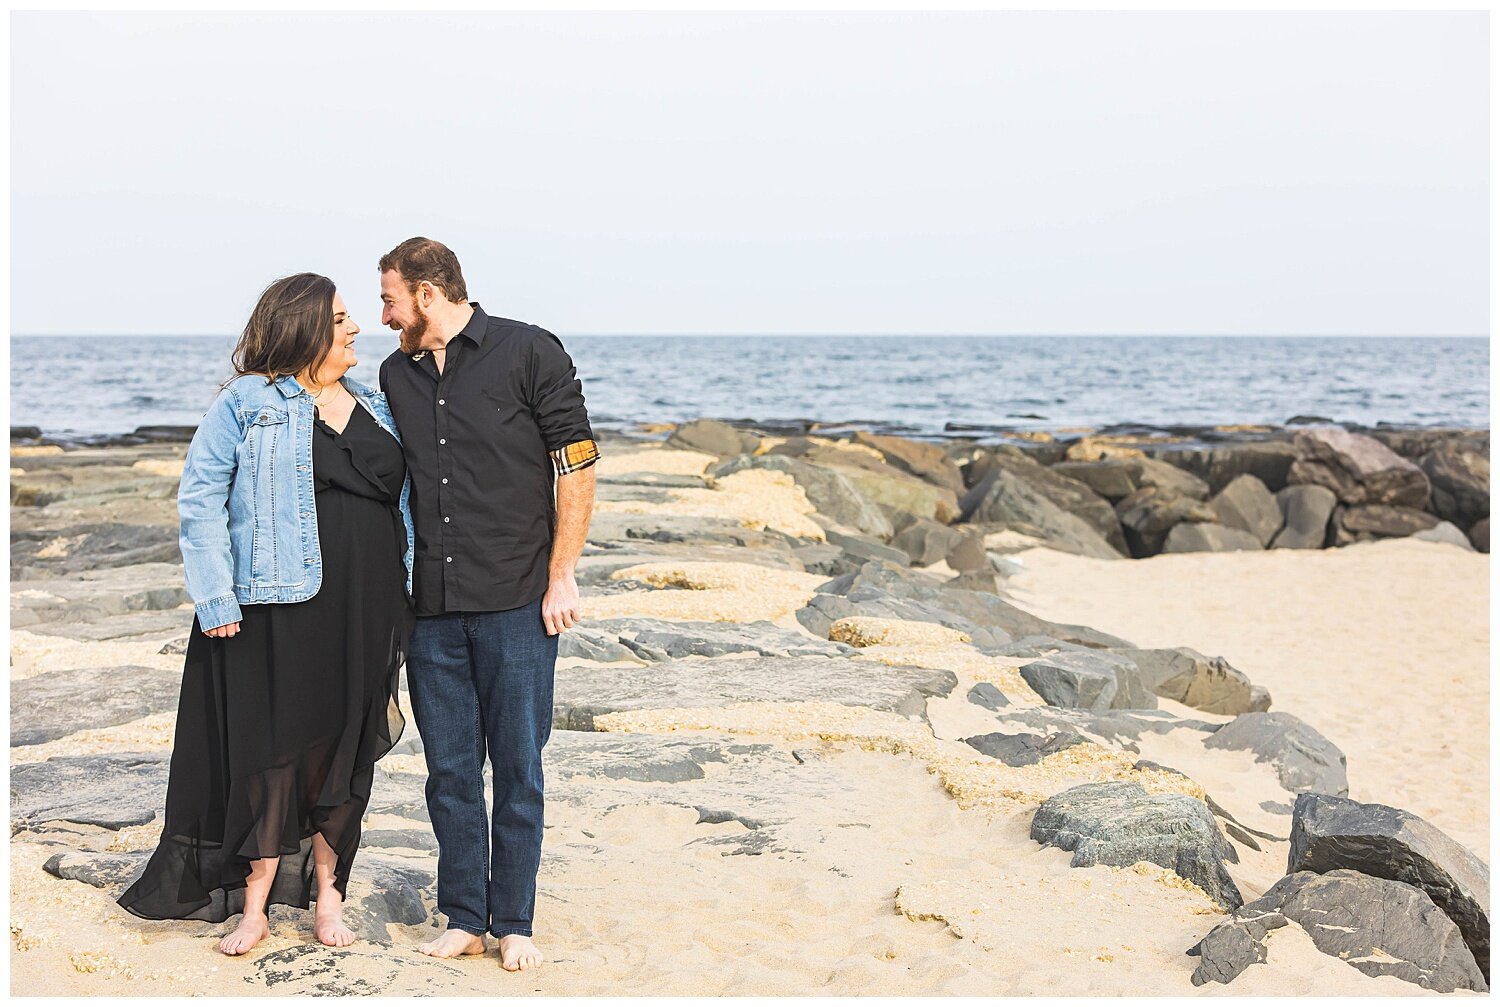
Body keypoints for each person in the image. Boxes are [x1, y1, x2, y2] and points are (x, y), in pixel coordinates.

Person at [116, 273, 416, 957]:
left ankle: (328, 896)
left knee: (346, 749)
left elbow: (409, 498)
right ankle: (254, 905)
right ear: (305, 326)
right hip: (277, 603)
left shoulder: (375, 403)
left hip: (369, 606)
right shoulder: (248, 402)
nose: (355, 328)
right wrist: (216, 595)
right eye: (340, 318)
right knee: (273, 754)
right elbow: (199, 498)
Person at [376, 237, 598, 973]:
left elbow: (577, 461)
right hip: (431, 607)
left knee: (518, 766)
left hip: (517, 601)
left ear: (429, 294)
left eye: (390, 299)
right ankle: (465, 916)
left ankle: (516, 920)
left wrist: (562, 574)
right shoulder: (393, 374)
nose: (385, 316)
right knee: (448, 771)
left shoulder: (529, 350)